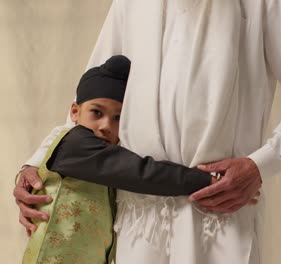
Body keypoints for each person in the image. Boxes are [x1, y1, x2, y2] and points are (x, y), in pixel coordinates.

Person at [15, 1, 281, 263]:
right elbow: (93, 97)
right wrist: (40, 165)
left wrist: (261, 164)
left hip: (217, 214)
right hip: (138, 223)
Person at [21, 55, 244, 263]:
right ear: (75, 111)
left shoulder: (97, 148)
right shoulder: (76, 144)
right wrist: (206, 181)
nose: (106, 126)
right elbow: (142, 173)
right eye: (96, 113)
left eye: (118, 117)